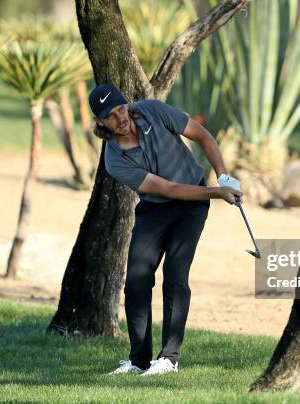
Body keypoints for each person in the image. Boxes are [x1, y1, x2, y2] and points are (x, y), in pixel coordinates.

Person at [89, 84, 242, 376]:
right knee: (136, 278)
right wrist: (217, 192)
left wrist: (223, 175)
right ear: (101, 123)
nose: (120, 117)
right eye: (110, 115)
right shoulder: (114, 160)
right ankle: (138, 361)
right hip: (157, 207)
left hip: (191, 206)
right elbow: (168, 189)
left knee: (175, 274)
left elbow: (201, 134)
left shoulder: (152, 111)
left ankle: (169, 358)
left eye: (121, 108)